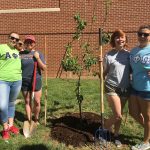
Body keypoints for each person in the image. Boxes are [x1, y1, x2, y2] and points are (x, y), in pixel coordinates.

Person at [103, 29, 130, 147]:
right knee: (118, 114)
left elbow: (135, 70)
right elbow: (104, 73)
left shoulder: (129, 55)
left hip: (125, 88)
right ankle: (104, 128)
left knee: (119, 114)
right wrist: (100, 68)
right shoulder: (108, 55)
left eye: (122, 37)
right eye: (117, 37)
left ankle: (116, 135)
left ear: (125, 39)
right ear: (114, 40)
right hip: (111, 86)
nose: (120, 39)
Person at [129, 25, 150, 150]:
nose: (142, 36)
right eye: (140, 34)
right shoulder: (133, 51)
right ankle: (149, 130)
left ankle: (146, 142)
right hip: (134, 86)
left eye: (146, 34)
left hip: (147, 88)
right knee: (133, 112)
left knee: (147, 116)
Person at [20, 35, 46, 124]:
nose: (29, 44)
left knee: (37, 101)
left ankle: (36, 118)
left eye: (31, 42)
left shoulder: (38, 54)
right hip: (24, 81)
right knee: (27, 101)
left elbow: (43, 68)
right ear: (24, 43)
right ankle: (29, 119)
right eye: (27, 42)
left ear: (34, 44)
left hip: (36, 80)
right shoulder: (21, 54)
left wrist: (37, 58)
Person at [0, 32, 22, 140]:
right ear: (8, 38)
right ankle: (5, 128)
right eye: (12, 38)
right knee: (2, 105)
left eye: (16, 39)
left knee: (11, 103)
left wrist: (20, 46)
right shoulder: (1, 47)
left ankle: (11, 125)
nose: (14, 40)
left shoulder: (18, 50)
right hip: (3, 80)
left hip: (17, 80)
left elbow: (28, 54)